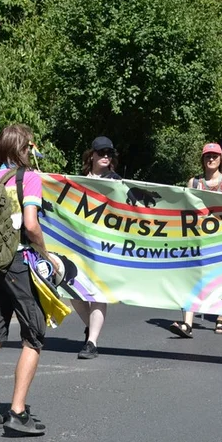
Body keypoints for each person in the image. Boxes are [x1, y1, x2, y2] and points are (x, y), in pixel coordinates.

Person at [0, 124, 50, 435]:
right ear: (25, 149)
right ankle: (17, 412)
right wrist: (45, 254)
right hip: (17, 264)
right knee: (34, 335)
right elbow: (30, 226)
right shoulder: (29, 179)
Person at [171, 143, 222, 338]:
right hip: (197, 238)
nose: (211, 159)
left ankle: (221, 317)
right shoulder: (193, 183)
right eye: (207, 156)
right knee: (192, 279)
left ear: (221, 159)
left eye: (215, 156)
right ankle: (187, 323)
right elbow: (185, 210)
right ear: (202, 159)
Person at [70, 136, 121, 360]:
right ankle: (91, 328)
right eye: (101, 152)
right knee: (72, 290)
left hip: (105, 246)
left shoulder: (118, 182)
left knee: (98, 293)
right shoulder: (77, 181)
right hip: (80, 245)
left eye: (109, 153)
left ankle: (91, 342)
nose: (106, 156)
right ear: (92, 155)